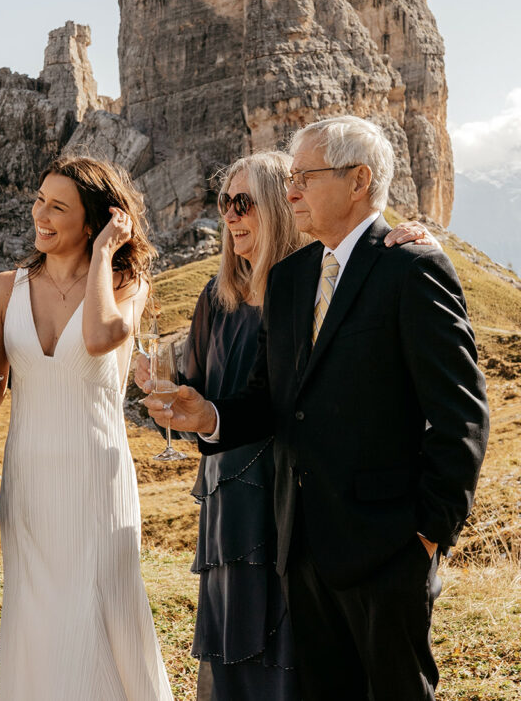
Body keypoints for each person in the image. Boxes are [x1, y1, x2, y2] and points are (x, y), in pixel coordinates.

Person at [149, 116, 490, 701]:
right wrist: (207, 417)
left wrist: (428, 536)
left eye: (304, 176)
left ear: (359, 181)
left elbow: (462, 415)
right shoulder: (289, 279)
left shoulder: (413, 268)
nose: (291, 191)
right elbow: (271, 402)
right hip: (300, 550)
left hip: (389, 551)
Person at [0, 155, 172, 700]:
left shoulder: (127, 282)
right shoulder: (5, 289)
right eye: (39, 200)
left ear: (94, 220)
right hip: (29, 479)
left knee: (99, 608)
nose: (41, 216)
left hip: (96, 478)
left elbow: (100, 337)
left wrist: (103, 253)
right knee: (36, 614)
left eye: (59, 207)